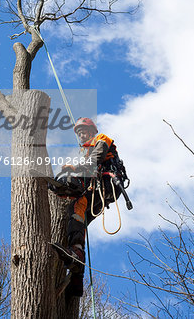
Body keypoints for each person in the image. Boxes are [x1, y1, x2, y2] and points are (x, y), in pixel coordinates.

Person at [52, 117, 124, 297]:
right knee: (77, 215)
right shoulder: (85, 152)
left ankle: (68, 185)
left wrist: (73, 170)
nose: (82, 135)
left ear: (92, 131)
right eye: (79, 132)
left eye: (84, 131)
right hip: (98, 191)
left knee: (76, 186)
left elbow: (96, 159)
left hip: (108, 184)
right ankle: (77, 265)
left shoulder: (102, 138)